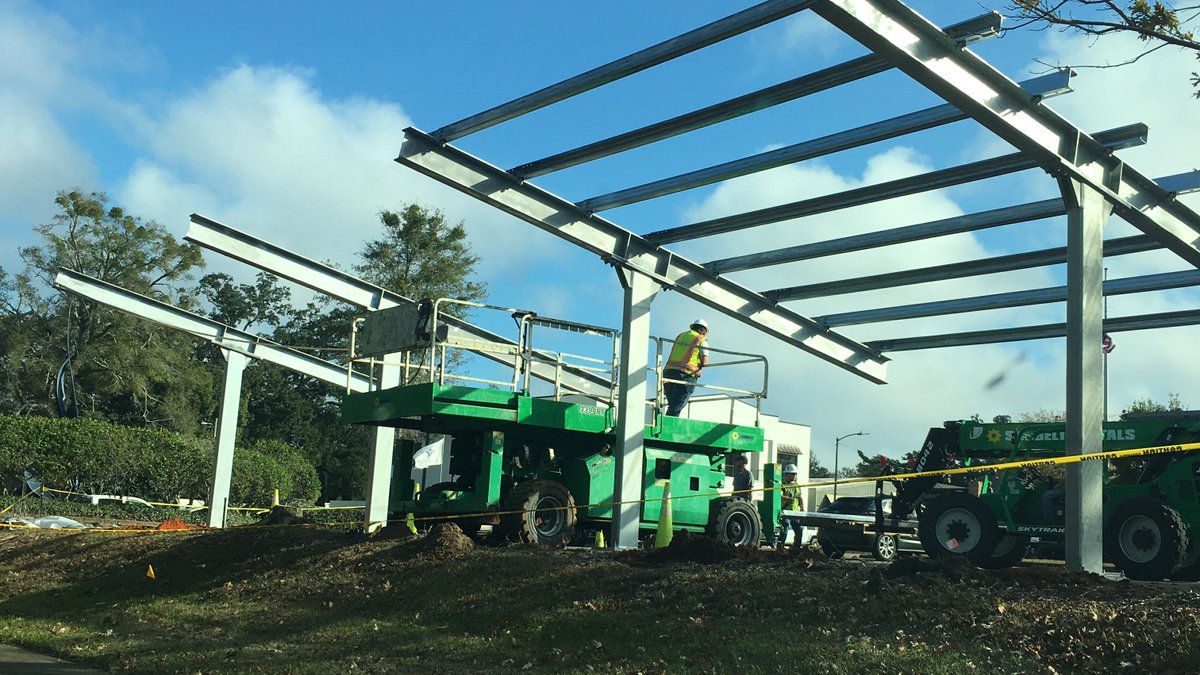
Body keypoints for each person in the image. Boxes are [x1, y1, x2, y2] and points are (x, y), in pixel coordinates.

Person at [662, 319, 709, 417]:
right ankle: (669, 426)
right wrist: (699, 366)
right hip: (685, 374)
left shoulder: (680, 336)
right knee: (677, 405)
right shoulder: (701, 339)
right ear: (703, 330)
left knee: (672, 404)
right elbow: (705, 362)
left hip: (668, 372)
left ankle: (666, 422)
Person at [777, 463, 803, 550]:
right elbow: (780, 496)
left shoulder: (797, 485)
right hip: (786, 512)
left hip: (795, 512)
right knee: (785, 529)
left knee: (799, 530)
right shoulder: (782, 484)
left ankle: (797, 547)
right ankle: (780, 547)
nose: (794, 476)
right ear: (787, 474)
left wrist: (802, 509)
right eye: (793, 474)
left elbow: (800, 498)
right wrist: (787, 499)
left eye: (795, 474)